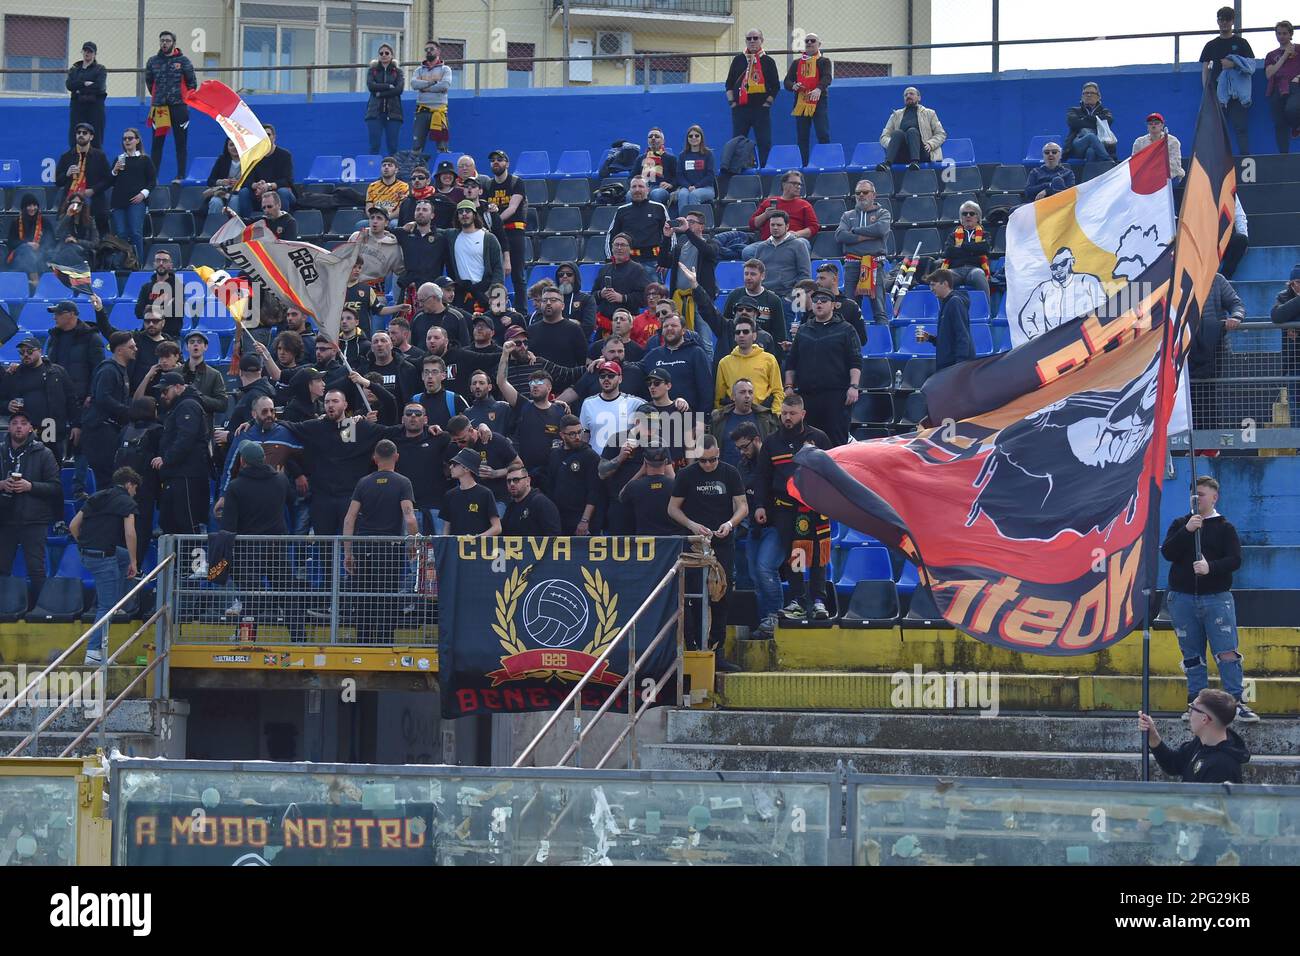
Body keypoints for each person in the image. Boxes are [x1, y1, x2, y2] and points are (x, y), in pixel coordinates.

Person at [1160, 475, 1259, 723]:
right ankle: (1197, 703)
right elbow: (1168, 552)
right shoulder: (1180, 524)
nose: (1197, 499)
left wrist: (1210, 567)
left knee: (1227, 652)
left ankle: (1236, 702)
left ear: (1214, 497)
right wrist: (1188, 530)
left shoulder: (1225, 528)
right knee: (1192, 655)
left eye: (1202, 495)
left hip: (1216, 598)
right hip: (1182, 598)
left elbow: (1235, 560)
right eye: (1194, 495)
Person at [669, 434, 748, 669]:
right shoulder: (686, 475)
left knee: (721, 596)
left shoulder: (730, 472)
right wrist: (692, 525)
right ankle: (693, 647)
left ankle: (717, 650)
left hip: (722, 541)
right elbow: (672, 509)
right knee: (692, 596)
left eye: (713, 460)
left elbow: (743, 506)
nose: (708, 465)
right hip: (694, 542)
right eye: (703, 461)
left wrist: (730, 524)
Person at [754, 395, 832, 621]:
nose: (787, 418)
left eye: (792, 413)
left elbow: (833, 472)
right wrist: (760, 505)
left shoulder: (819, 438)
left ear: (802, 414)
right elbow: (762, 477)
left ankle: (818, 601)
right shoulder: (771, 442)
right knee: (794, 555)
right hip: (785, 508)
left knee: (818, 555)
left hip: (816, 506)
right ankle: (797, 600)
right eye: (784, 413)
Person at [343, 439, 417, 644]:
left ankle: (362, 643)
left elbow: (349, 518)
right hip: (389, 549)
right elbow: (410, 518)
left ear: (375, 459)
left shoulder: (363, 482)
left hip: (363, 546)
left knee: (363, 598)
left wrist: (348, 553)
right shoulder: (403, 482)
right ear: (396, 457)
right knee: (387, 598)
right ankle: (385, 644)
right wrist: (413, 545)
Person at [69, 466, 140, 665]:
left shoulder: (96, 496)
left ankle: (117, 598)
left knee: (123, 557)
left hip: (85, 554)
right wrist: (135, 562)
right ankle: (93, 652)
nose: (135, 493)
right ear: (129, 484)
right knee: (106, 607)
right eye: (135, 488)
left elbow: (73, 526)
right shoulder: (126, 501)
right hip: (103, 558)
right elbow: (130, 534)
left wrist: (83, 545)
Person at [784, 289, 861, 446]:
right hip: (807, 396)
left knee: (836, 444)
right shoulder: (803, 330)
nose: (819, 302)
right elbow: (792, 361)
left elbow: (855, 361)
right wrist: (788, 386)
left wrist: (854, 386)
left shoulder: (846, 329)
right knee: (806, 443)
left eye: (824, 300)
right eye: (815, 300)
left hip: (836, 397)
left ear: (833, 305)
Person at [0, 411, 61, 604]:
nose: (19, 426)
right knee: (2, 567)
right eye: (15, 423)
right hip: (5, 518)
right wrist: (1, 484)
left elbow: (56, 487)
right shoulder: (1, 451)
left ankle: (38, 608)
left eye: (23, 423)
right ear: (8, 427)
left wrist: (30, 486)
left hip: (34, 519)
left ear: (30, 428)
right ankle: (4, 607)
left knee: (36, 568)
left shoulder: (44, 453)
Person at [1139, 689, 1251, 784]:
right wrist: (1152, 736)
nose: (1189, 713)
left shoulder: (1222, 766)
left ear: (1204, 719)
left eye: (1193, 708)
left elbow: (1205, 808)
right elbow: (1173, 764)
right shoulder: (1201, 743)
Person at [154, 372, 211, 534]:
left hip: (187, 475)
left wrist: (166, 458)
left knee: (187, 524)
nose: (162, 395)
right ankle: (177, 560)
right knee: (171, 525)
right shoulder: (179, 407)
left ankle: (193, 560)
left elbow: (186, 439)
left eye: (165, 391)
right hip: (178, 474)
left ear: (178, 387)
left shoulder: (188, 405)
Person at [2, 336, 79, 456]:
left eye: (30, 351)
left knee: (52, 468)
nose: (26, 355)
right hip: (24, 429)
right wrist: (7, 405)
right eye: (22, 352)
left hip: (50, 427)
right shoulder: (13, 374)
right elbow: (1, 399)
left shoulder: (57, 372)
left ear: (40, 351)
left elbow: (71, 400)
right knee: (24, 469)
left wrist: (76, 425)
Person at [496, 353, 567, 478]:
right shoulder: (523, 405)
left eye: (539, 382)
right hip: (526, 474)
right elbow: (501, 382)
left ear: (549, 387)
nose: (534, 385)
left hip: (552, 474)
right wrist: (505, 354)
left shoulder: (560, 411)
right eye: (531, 383)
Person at [1188, 273, 1245, 427]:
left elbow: (1236, 304)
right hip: (1185, 349)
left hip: (1215, 348)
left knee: (1208, 395)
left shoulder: (1217, 279)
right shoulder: (1175, 277)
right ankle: (1195, 443)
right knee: (1187, 396)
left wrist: (1236, 317)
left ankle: (1210, 446)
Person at [1016, 246, 1108, 340]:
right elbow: (1026, 316)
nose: (1058, 269)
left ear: (1072, 261)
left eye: (1063, 263)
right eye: (1054, 267)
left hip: (1089, 338)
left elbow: (1103, 310)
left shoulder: (1088, 281)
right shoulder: (1043, 289)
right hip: (1056, 345)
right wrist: (1037, 338)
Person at [82, 331, 134, 493]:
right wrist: (128, 412)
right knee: (105, 479)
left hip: (111, 429)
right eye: (131, 347)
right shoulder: (108, 370)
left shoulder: (121, 370)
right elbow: (102, 398)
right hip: (101, 431)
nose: (136, 349)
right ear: (119, 350)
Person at [834, 180, 892, 323]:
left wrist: (854, 232)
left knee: (879, 310)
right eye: (858, 193)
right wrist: (866, 237)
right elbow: (840, 235)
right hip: (852, 265)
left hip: (874, 265)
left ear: (874, 195)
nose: (861, 195)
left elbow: (880, 230)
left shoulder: (883, 213)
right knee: (849, 310)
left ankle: (882, 342)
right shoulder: (848, 215)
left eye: (865, 192)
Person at [143, 30, 196, 181]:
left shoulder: (184, 61)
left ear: (174, 43)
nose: (164, 43)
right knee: (157, 144)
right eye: (162, 41)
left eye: (167, 40)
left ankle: (180, 175)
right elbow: (149, 82)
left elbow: (192, 83)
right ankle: (153, 178)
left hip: (179, 107)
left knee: (180, 143)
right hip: (160, 108)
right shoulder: (152, 61)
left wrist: (182, 98)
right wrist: (159, 97)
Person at [1202, 7, 1254, 156]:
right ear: (1217, 21)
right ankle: (1218, 159)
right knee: (1218, 129)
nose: (1224, 23)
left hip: (1238, 94)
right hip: (1217, 92)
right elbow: (1205, 67)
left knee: (1241, 126)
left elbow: (1251, 64)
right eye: (1221, 19)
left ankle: (1244, 157)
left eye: (1227, 19)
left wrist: (1234, 64)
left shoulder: (1242, 42)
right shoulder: (1211, 45)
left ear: (1232, 21)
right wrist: (1206, 89)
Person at [725, 30, 780, 167]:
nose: (752, 41)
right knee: (738, 142)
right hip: (740, 109)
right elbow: (729, 84)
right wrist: (732, 103)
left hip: (760, 110)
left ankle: (765, 170)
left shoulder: (768, 61)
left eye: (755, 38)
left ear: (762, 40)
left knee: (764, 142)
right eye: (749, 38)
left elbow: (775, 86)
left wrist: (767, 103)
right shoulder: (738, 60)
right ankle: (737, 170)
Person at [444, 413, 521, 508]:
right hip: (469, 502)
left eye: (462, 440)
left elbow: (519, 465)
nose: (459, 444)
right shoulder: (453, 447)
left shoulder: (493, 440)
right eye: (455, 441)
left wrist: (496, 473)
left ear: (471, 430)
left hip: (497, 500)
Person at [642, 314, 713, 415]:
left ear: (683, 330)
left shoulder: (696, 353)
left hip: (689, 418)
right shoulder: (653, 355)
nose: (669, 328)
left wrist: (702, 420)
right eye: (666, 326)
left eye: (674, 325)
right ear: (662, 331)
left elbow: (706, 389)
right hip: (658, 419)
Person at [485, 150, 529, 307]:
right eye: (493, 160)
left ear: (507, 164)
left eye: (500, 159)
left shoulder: (516, 182)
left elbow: (512, 208)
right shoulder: (488, 185)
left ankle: (521, 310)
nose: (496, 162)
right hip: (495, 234)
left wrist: (494, 221)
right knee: (495, 275)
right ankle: (497, 308)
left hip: (514, 232)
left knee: (518, 274)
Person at [544, 415, 600, 535]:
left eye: (580, 432)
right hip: (558, 517)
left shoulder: (590, 456)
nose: (578, 437)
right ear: (562, 435)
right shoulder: (554, 455)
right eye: (572, 434)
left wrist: (585, 520)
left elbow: (594, 492)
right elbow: (550, 486)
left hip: (581, 517)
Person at [108, 128, 156, 264]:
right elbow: (110, 182)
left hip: (136, 202)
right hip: (118, 202)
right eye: (125, 139)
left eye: (130, 138)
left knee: (136, 233)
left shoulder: (145, 159)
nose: (127, 141)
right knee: (121, 234)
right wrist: (114, 171)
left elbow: (152, 181)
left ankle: (138, 264)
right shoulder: (118, 159)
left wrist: (143, 194)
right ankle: (124, 264)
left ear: (137, 140)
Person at [784, 33, 832, 167]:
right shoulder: (796, 63)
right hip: (801, 103)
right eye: (807, 41)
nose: (809, 43)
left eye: (813, 41)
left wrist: (818, 89)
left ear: (819, 44)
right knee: (802, 137)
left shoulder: (824, 61)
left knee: (823, 133)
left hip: (819, 102)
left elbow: (827, 77)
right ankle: (803, 166)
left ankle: (825, 164)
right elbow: (787, 81)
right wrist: (793, 86)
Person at [715, 318, 783, 412]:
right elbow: (719, 397)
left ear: (754, 335)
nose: (741, 335)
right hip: (734, 414)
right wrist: (723, 417)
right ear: (734, 337)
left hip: (762, 415)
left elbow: (778, 391)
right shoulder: (724, 363)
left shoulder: (769, 360)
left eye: (746, 332)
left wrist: (775, 414)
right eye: (738, 332)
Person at [446, 201, 504, 309]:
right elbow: (429, 230)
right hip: (462, 294)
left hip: (485, 293)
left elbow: (498, 269)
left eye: (467, 211)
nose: (464, 214)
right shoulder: (451, 236)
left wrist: (493, 292)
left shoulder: (489, 238)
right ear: (457, 216)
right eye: (460, 212)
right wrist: (413, 224)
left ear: (474, 215)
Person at [57, 122, 111, 236]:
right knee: (71, 237)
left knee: (98, 237)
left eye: (84, 133)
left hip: (94, 203)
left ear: (91, 137)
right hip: (71, 202)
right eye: (78, 133)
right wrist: (66, 174)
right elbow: (57, 181)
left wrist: (93, 190)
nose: (81, 135)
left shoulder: (99, 156)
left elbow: (108, 180)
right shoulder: (66, 156)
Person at [580, 360, 646, 454]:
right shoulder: (588, 403)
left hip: (624, 462)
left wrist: (675, 402)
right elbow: (585, 436)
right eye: (602, 376)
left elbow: (656, 409)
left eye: (611, 375)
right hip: (595, 462)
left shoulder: (634, 403)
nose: (606, 379)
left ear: (620, 378)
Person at [917, 269, 975, 374]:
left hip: (955, 366)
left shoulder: (954, 302)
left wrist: (960, 365)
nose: (931, 289)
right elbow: (949, 338)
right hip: (949, 365)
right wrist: (930, 338)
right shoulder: (947, 303)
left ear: (945, 284)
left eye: (933, 285)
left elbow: (962, 335)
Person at [743, 210, 811, 300]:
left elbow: (805, 276)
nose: (775, 228)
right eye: (772, 225)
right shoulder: (761, 247)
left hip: (787, 297)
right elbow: (756, 274)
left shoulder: (798, 245)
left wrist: (791, 298)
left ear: (787, 226)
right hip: (764, 297)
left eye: (779, 225)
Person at [607, 179, 670, 275]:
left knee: (655, 290)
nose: (637, 190)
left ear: (647, 190)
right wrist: (611, 258)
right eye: (634, 187)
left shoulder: (659, 208)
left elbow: (670, 235)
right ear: (630, 190)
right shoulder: (621, 210)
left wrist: (665, 260)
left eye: (641, 186)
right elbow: (611, 236)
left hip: (654, 263)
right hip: (627, 262)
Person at [660, 208, 720, 304]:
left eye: (691, 222)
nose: (687, 224)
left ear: (701, 227)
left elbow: (708, 252)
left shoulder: (711, 243)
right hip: (679, 298)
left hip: (701, 300)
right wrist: (666, 237)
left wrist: (687, 230)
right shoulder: (680, 248)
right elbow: (663, 262)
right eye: (686, 222)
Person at [878, 86, 947, 169]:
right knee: (897, 133)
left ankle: (915, 163)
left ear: (919, 97)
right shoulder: (895, 115)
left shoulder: (930, 113)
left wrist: (930, 144)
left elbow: (941, 134)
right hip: (901, 153)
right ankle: (887, 164)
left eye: (911, 93)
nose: (908, 96)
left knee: (912, 131)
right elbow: (883, 137)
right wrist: (892, 143)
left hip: (922, 153)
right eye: (905, 95)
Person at [234, 123, 295, 217]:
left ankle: (282, 222)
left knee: (283, 192)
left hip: (279, 191)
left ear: (274, 137)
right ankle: (247, 225)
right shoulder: (253, 156)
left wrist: (268, 186)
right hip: (258, 193)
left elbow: (287, 180)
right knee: (244, 192)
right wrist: (256, 185)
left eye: (268, 135)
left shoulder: (285, 155)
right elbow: (246, 179)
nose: (266, 138)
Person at [619, 444, 679, 536]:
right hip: (670, 541)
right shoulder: (674, 485)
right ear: (666, 461)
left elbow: (621, 496)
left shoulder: (635, 486)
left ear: (645, 461)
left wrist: (640, 472)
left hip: (644, 542)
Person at [937, 201, 993, 296]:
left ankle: (986, 309)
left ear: (977, 217)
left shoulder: (985, 234)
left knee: (979, 275)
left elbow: (985, 248)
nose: (968, 216)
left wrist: (962, 246)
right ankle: (943, 310)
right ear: (961, 218)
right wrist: (974, 250)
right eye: (964, 214)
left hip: (974, 269)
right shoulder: (953, 235)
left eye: (971, 213)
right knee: (943, 278)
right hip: (955, 270)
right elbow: (949, 252)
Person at [442, 447, 501, 536]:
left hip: (478, 548)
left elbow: (497, 527)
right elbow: (446, 528)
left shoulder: (485, 494)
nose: (450, 467)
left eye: (454, 464)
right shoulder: (450, 495)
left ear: (466, 469)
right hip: (455, 547)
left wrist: (476, 538)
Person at [594, 234, 651, 325]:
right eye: (616, 245)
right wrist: (601, 294)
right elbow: (593, 295)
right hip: (604, 322)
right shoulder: (604, 269)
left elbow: (644, 298)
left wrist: (623, 298)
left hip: (628, 322)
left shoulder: (638, 269)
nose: (619, 248)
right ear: (612, 248)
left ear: (630, 249)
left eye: (623, 245)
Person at [749, 170, 818, 243]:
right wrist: (765, 215)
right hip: (768, 243)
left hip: (793, 241)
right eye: (794, 183)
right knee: (748, 251)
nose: (798, 187)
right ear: (784, 184)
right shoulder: (768, 202)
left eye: (799, 184)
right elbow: (752, 224)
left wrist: (797, 234)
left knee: (801, 243)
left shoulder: (805, 205)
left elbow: (814, 227)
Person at [528, 288, 588, 367]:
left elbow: (582, 362)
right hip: (537, 378)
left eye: (553, 300)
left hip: (566, 377)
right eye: (544, 300)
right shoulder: (531, 330)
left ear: (562, 306)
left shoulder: (574, 329)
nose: (548, 303)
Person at [412, 41, 454, 153]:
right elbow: (414, 84)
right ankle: (417, 169)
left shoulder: (445, 69)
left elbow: (445, 85)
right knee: (417, 146)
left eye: (431, 48)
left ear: (438, 51)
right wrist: (433, 83)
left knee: (442, 147)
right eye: (426, 49)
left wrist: (425, 87)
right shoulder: (419, 70)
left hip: (439, 112)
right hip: (422, 111)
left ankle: (444, 169)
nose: (428, 51)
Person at [1265, 21, 1300, 154]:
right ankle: (1283, 155)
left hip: (1295, 86)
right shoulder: (1271, 55)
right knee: (1279, 124)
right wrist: (1284, 55)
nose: (1281, 36)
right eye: (1279, 33)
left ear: (1291, 34)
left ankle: (1296, 126)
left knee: (1292, 109)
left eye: (1285, 33)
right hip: (1277, 88)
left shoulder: (1299, 48)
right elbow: (1269, 74)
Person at [365, 44, 404, 156]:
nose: (384, 55)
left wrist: (379, 93)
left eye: (387, 53)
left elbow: (398, 90)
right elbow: (371, 86)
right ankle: (372, 172)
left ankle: (392, 172)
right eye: (381, 53)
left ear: (392, 55)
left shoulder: (398, 71)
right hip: (374, 113)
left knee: (393, 147)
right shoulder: (373, 70)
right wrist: (388, 86)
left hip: (393, 114)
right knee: (374, 146)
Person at [500, 464, 561, 535]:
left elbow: (554, 536)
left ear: (528, 481)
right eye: (509, 481)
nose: (512, 484)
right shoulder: (511, 506)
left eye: (516, 480)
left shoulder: (541, 502)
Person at [66, 42, 107, 148]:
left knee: (96, 138)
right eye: (85, 51)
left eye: (90, 51)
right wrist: (85, 83)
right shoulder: (75, 69)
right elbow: (69, 85)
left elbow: (98, 87)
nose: (87, 53)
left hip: (95, 107)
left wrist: (79, 89)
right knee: (75, 136)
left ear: (95, 54)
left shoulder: (100, 69)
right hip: (77, 106)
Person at [351, 207, 406, 286]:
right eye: (372, 218)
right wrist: (358, 242)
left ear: (386, 223)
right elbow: (344, 262)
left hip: (377, 291)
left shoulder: (393, 246)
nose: (375, 221)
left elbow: (401, 271)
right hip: (352, 286)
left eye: (379, 218)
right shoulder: (356, 237)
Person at [1065, 82, 1117, 163]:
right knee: (1090, 136)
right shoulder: (1073, 110)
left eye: (1092, 93)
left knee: (1091, 151)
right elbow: (1073, 123)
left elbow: (1108, 121)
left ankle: (1089, 175)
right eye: (1086, 93)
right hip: (1078, 145)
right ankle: (1109, 161)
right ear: (1082, 96)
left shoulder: (1105, 111)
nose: (1088, 95)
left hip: (1100, 145)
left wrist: (1084, 119)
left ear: (1098, 97)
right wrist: (1096, 121)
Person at [180, 331, 228, 416]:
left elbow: (223, 405)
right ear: (186, 347)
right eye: (192, 342)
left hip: (203, 425)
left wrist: (197, 396)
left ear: (205, 347)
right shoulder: (176, 372)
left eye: (199, 342)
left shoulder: (214, 375)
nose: (195, 344)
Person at [415, 355, 470, 429]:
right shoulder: (415, 400)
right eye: (426, 372)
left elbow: (471, 425)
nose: (430, 376)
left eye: (434, 372)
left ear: (443, 375)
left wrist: (482, 425)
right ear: (422, 376)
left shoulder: (455, 399)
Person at [1131, 113, 1184, 181]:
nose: (1153, 125)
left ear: (1162, 125)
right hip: (1147, 177)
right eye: (1150, 123)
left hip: (1171, 177)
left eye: (1156, 123)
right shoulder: (1139, 142)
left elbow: (1174, 165)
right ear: (1147, 126)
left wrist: (1157, 175)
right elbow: (1135, 163)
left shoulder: (1173, 141)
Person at [674, 126, 716, 212]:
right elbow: (679, 175)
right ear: (687, 139)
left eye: (697, 135)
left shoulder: (708, 154)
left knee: (694, 195)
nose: (694, 138)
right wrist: (688, 186)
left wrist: (696, 186)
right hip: (687, 187)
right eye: (690, 136)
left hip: (706, 188)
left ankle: (695, 223)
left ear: (701, 138)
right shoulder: (682, 155)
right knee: (682, 195)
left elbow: (710, 176)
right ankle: (683, 223)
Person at [53, 196, 99, 269]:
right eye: (73, 203)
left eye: (78, 203)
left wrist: (77, 241)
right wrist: (68, 216)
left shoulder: (90, 221)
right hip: (65, 250)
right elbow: (57, 234)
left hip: (83, 252)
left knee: (70, 252)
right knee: (68, 250)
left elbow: (95, 243)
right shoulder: (64, 218)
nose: (76, 205)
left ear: (82, 205)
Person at [635, 128, 678, 206]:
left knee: (656, 194)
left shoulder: (671, 158)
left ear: (663, 141)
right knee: (629, 194)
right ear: (648, 140)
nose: (653, 138)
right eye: (650, 136)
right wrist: (637, 184)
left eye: (657, 136)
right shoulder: (640, 159)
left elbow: (677, 177)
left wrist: (670, 184)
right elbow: (631, 178)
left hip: (661, 188)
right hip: (643, 186)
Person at [553, 262, 597, 338]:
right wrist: (573, 323)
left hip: (578, 343)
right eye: (561, 274)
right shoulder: (552, 299)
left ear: (576, 277)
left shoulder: (587, 299)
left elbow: (588, 327)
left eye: (569, 274)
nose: (565, 276)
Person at [204, 139, 244, 219]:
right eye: (231, 145)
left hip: (237, 193)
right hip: (221, 192)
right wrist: (222, 182)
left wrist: (239, 183)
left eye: (237, 145)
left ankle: (233, 229)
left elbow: (251, 180)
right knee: (215, 202)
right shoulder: (222, 160)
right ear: (227, 147)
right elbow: (210, 181)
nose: (234, 148)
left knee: (234, 201)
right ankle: (214, 228)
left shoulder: (248, 160)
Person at [366, 156, 409, 225]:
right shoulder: (372, 186)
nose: (386, 167)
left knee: (394, 224)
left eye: (390, 165)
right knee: (361, 224)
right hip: (376, 217)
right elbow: (368, 207)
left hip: (392, 218)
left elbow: (401, 209)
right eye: (384, 165)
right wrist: (375, 219)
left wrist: (386, 218)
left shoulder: (403, 186)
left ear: (396, 170)